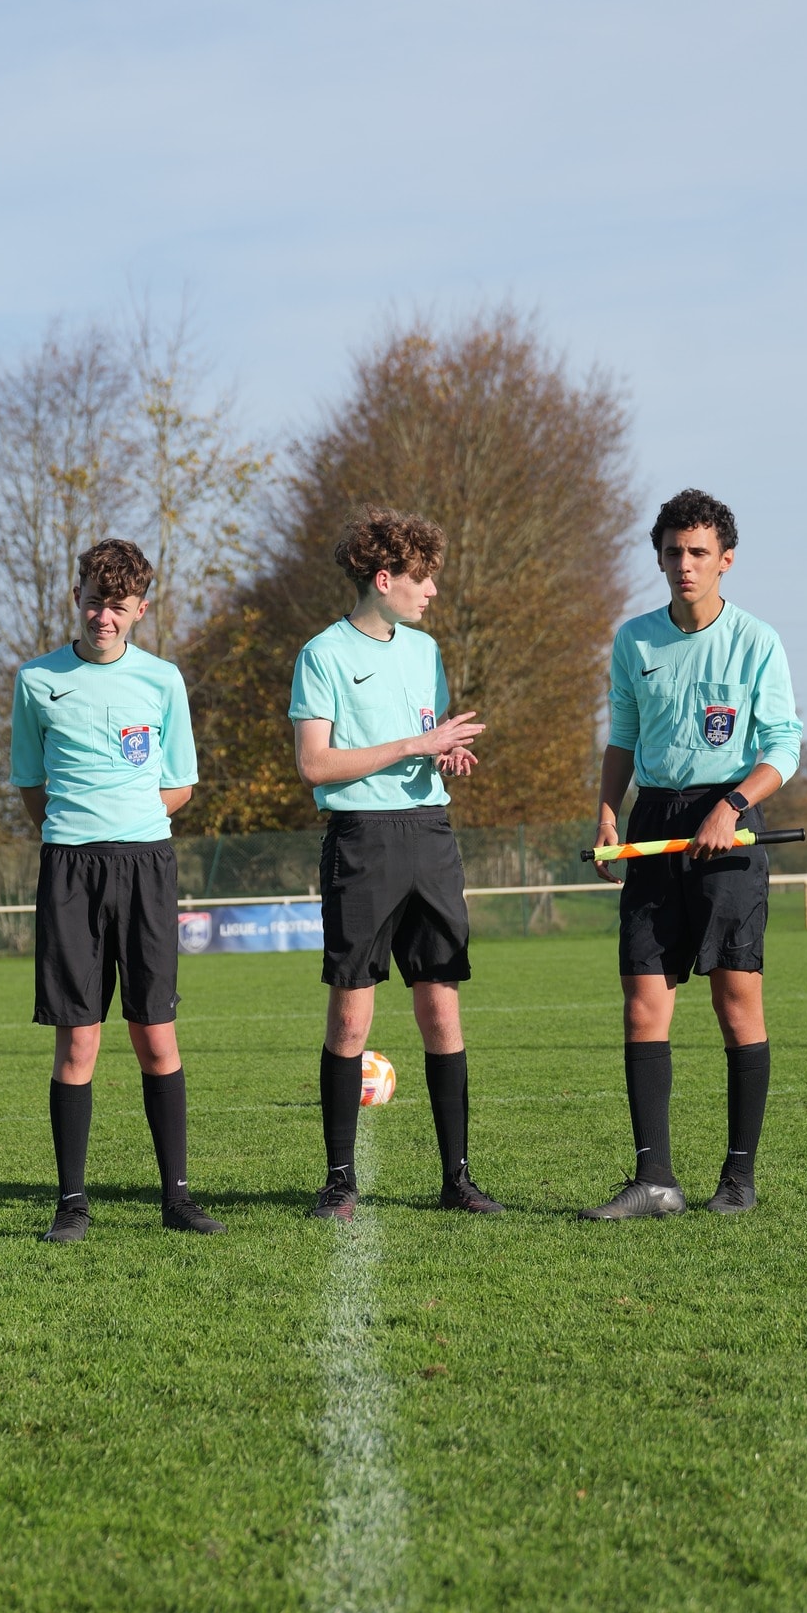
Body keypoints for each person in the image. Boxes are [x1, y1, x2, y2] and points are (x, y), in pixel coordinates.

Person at [582, 487, 801, 1221]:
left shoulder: (756, 641)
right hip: (656, 825)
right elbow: (621, 739)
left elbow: (783, 748)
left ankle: (737, 1180)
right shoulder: (634, 640)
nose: (684, 564)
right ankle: (655, 1181)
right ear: (659, 558)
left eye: (698, 553)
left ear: (725, 561)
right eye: (673, 551)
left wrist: (732, 804)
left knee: (735, 1002)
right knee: (644, 1002)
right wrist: (610, 814)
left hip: (729, 828)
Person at [288, 506, 502, 1222]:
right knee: (351, 1019)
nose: (431, 590)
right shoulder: (322, 655)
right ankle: (339, 1182)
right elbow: (314, 763)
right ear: (383, 579)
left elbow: (423, 736)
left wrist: (443, 751)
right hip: (361, 842)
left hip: (429, 834)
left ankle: (458, 1179)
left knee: (441, 1006)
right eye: (421, 578)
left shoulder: (426, 651)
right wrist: (414, 747)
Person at [9, 537, 224, 1245]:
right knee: (79, 1042)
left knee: (155, 1034)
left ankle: (177, 1198)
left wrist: (127, 823)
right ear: (78, 598)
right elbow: (31, 787)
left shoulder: (163, 681)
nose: (105, 616)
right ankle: (72, 1203)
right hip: (70, 867)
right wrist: (81, 828)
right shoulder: (36, 680)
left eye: (119, 606)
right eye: (95, 602)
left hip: (145, 867)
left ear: (141, 610)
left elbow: (181, 784)